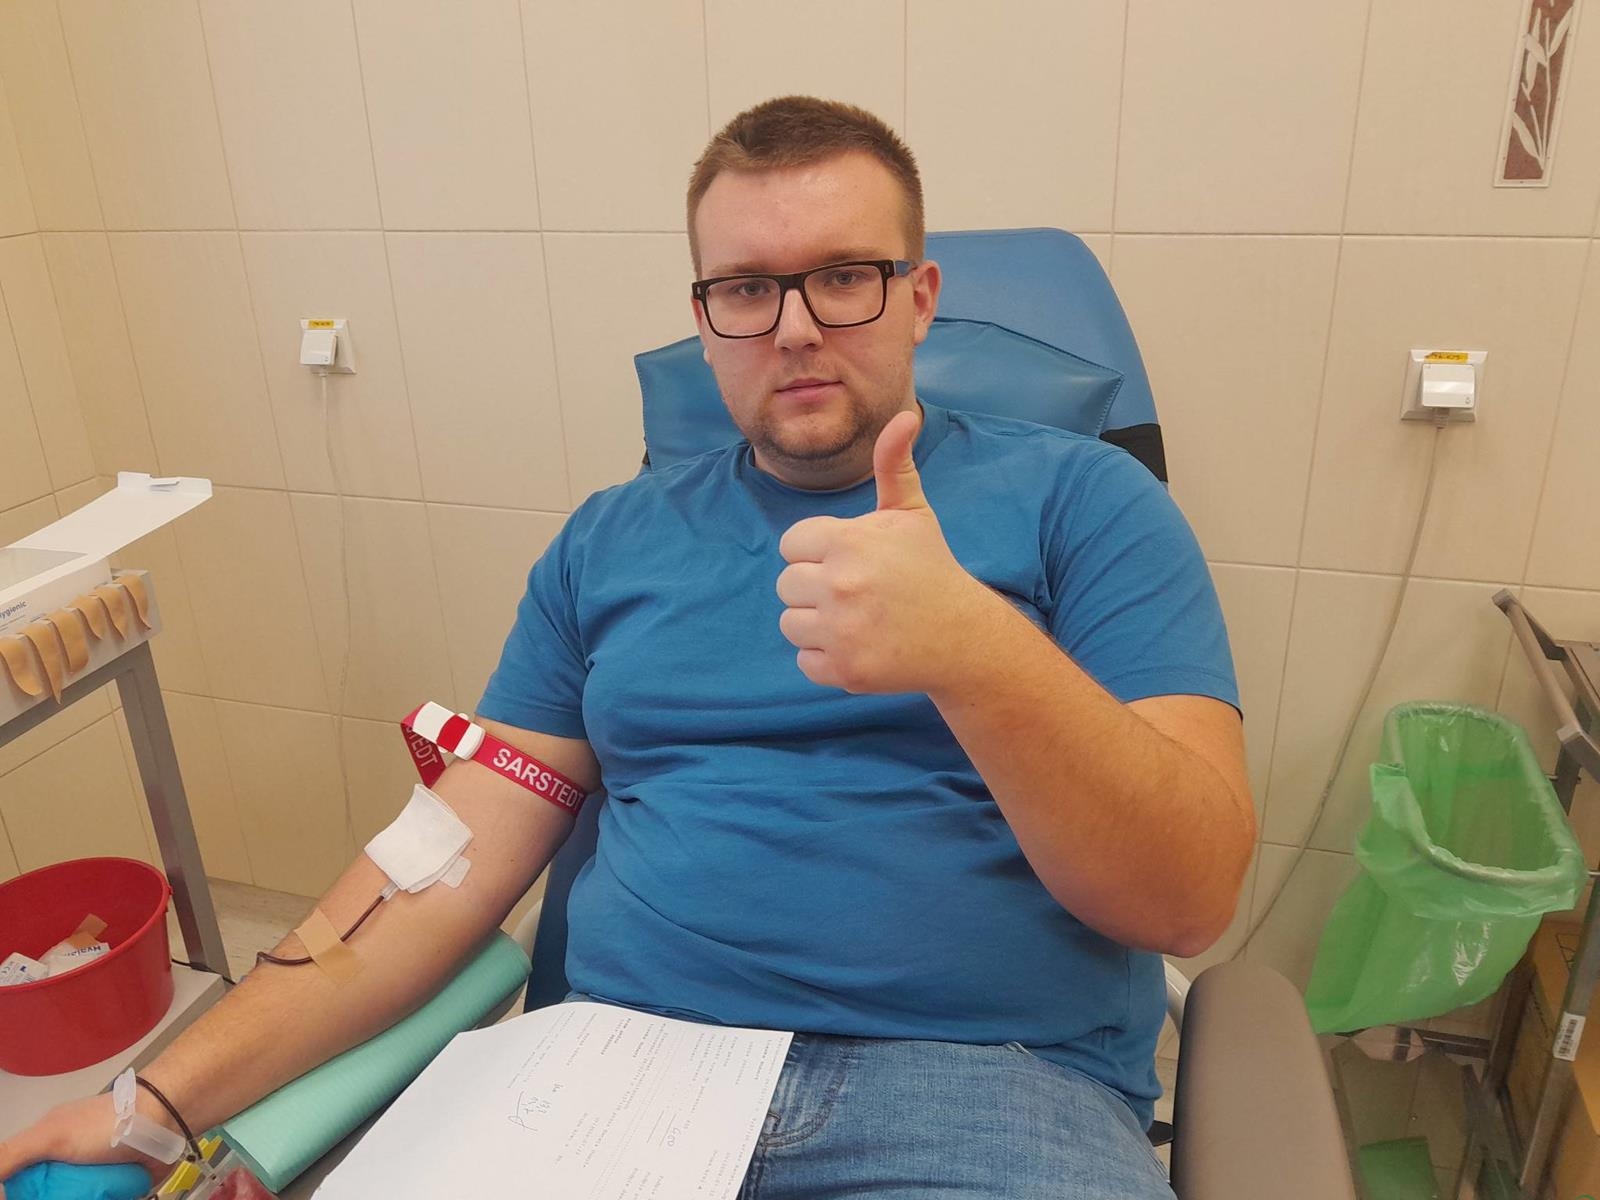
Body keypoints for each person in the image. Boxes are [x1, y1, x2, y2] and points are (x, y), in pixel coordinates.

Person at [0, 96, 1254, 1199]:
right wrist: (151, 1103)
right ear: (704, 321)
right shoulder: (609, 544)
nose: (795, 327)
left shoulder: (1084, 503)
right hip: (616, 1075)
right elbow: (441, 870)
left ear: (920, 297)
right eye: (747, 288)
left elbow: (1185, 897)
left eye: (844, 276)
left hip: (981, 1091)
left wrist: (977, 653)